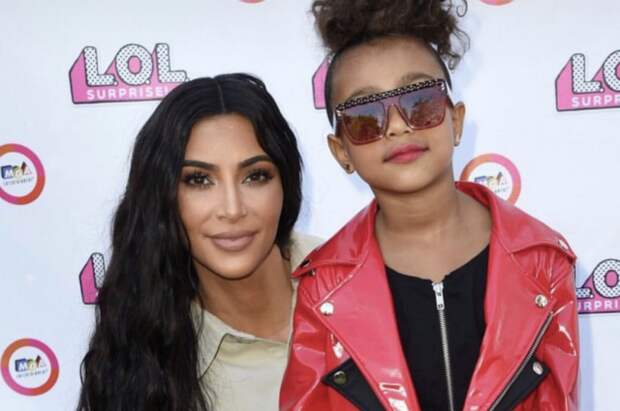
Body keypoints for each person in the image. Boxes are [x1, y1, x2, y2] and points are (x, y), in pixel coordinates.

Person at [280, 1, 579, 410]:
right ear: (341, 151)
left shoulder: (542, 261)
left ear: (455, 121)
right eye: (366, 116)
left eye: (420, 102)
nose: (397, 125)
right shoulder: (323, 285)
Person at [77, 74, 321, 411]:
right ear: (162, 196)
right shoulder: (141, 366)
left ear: (287, 183)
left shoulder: (365, 280)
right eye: (199, 180)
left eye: (255, 176)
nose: (232, 209)